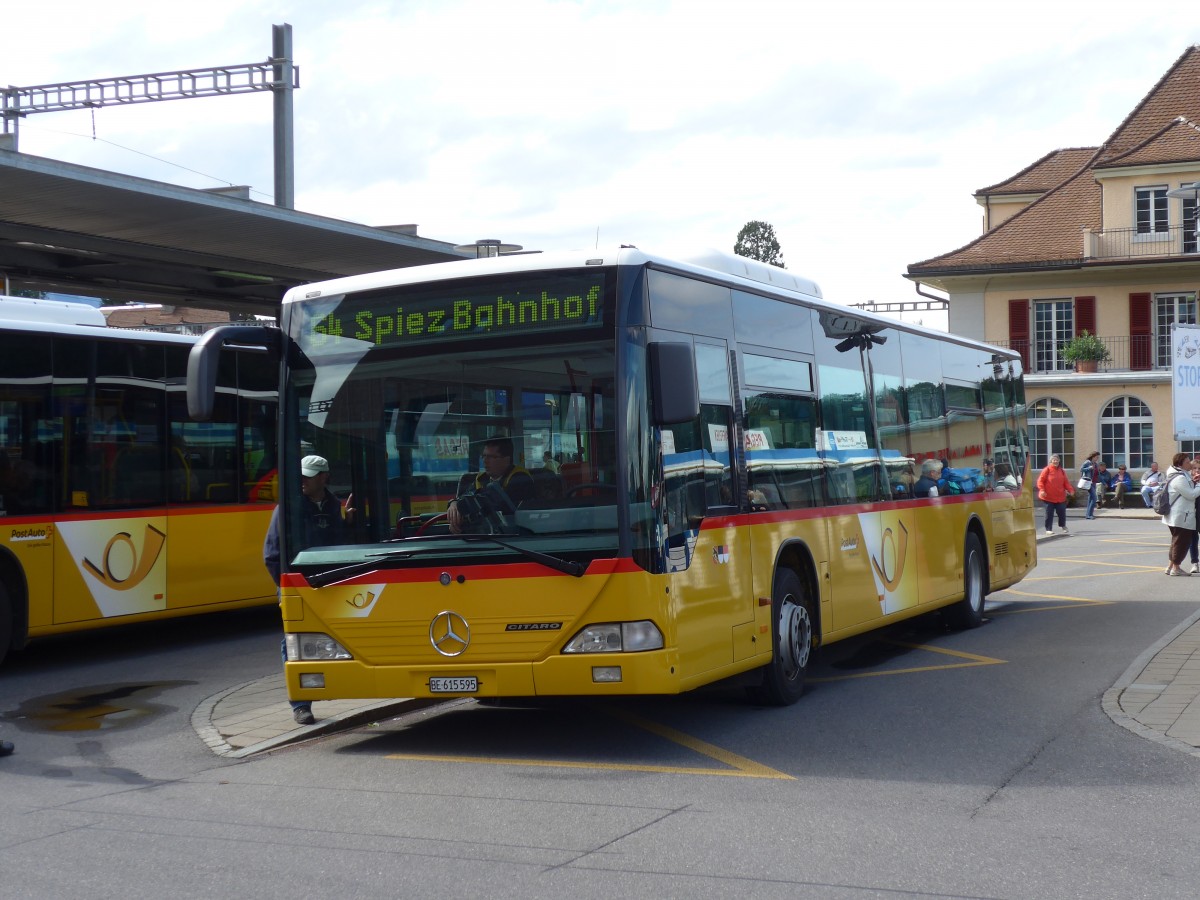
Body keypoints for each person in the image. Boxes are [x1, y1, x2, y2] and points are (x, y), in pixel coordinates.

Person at [263, 454, 349, 726]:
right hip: (298, 585)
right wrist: (286, 587)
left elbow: (339, 546)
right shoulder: (287, 508)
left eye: (308, 476)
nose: (302, 481)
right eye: (299, 475)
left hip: (330, 584)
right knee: (293, 641)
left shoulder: (334, 506)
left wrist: (349, 524)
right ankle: (301, 706)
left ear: (324, 477)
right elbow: (271, 554)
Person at [447, 437, 534, 533]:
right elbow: (467, 497)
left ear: (506, 459)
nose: (485, 461)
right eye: (484, 456)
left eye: (491, 457)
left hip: (515, 536)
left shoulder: (520, 477)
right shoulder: (481, 478)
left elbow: (495, 505)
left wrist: (463, 510)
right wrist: (454, 504)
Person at [1160, 452, 1200, 576]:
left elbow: (1187, 489)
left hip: (1179, 516)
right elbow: (1191, 494)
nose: (1190, 464)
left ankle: (1170, 567)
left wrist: (1194, 482)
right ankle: (1176, 569)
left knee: (1176, 542)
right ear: (1180, 464)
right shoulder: (1179, 478)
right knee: (1181, 544)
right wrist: (1199, 484)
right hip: (1181, 516)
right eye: (1187, 462)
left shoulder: (1180, 474)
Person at [1037, 454, 1074, 535]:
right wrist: (1042, 490)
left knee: (1061, 512)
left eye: (1057, 460)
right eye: (1054, 460)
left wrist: (1071, 490)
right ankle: (1048, 529)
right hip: (1048, 497)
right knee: (1049, 513)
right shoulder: (1046, 470)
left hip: (1060, 497)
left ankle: (1063, 525)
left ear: (1059, 461)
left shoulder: (1062, 471)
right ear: (1051, 461)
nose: (1055, 461)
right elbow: (1040, 481)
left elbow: (1066, 482)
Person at [1081, 451, 1101, 519]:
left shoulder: (1095, 464)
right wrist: (1089, 468)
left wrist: (1103, 482)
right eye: (1096, 457)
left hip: (1094, 482)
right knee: (1094, 498)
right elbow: (1081, 469)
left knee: (1090, 499)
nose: (1097, 458)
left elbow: (1097, 474)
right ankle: (1089, 515)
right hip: (1088, 482)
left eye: (1098, 457)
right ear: (1093, 457)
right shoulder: (1087, 462)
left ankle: (1089, 515)